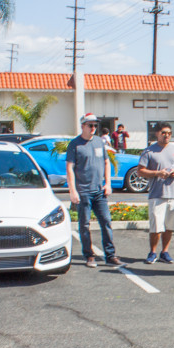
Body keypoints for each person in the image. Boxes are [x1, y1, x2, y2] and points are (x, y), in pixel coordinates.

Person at [67, 113, 123, 268]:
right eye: (90, 125)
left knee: (106, 222)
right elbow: (70, 168)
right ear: (83, 126)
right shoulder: (75, 144)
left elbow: (106, 162)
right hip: (83, 191)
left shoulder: (99, 142)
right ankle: (89, 255)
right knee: (84, 224)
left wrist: (108, 183)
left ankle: (110, 255)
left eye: (95, 126)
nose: (93, 128)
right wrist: (73, 190)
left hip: (100, 191)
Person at [137, 122, 174, 264]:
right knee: (156, 227)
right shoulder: (149, 151)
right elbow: (140, 171)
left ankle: (164, 252)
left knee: (170, 226)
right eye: (164, 132)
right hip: (157, 194)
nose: (166, 135)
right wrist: (157, 173)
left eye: (169, 133)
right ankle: (152, 252)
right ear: (157, 134)